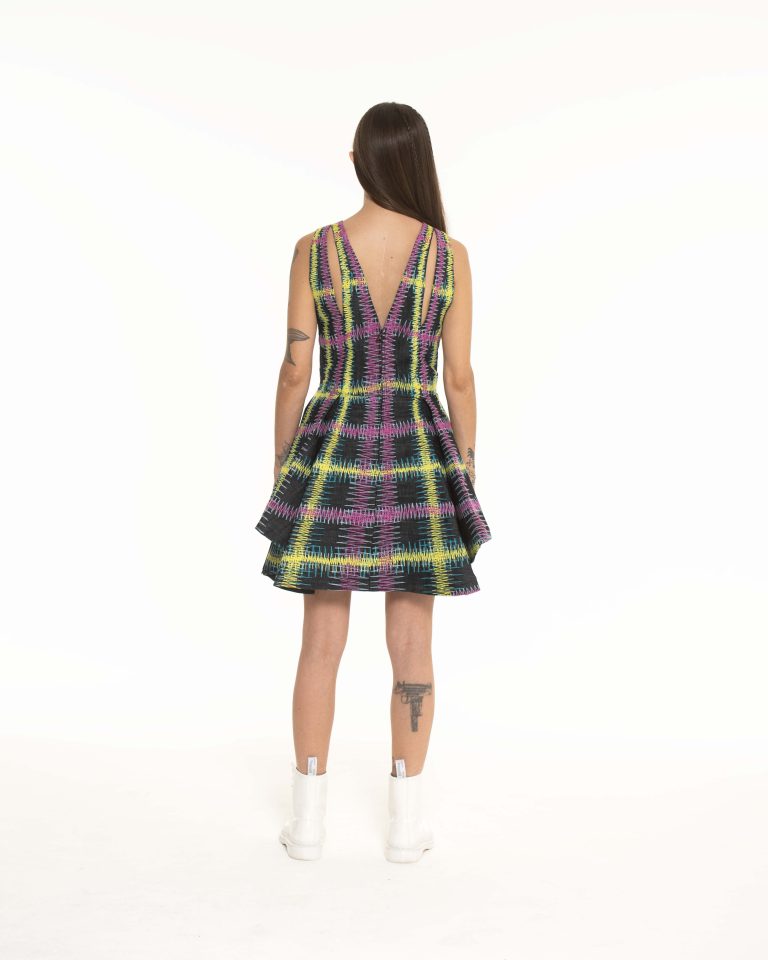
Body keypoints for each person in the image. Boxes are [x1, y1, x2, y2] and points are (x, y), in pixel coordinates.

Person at [254, 102, 492, 863]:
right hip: (419, 456)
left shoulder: (314, 250)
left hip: (335, 451)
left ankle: (308, 824)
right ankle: (405, 827)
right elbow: (459, 377)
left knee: (320, 644)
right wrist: (465, 472)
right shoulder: (449, 257)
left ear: (358, 159)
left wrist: (287, 465)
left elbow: (295, 370)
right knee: (413, 647)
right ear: (418, 161)